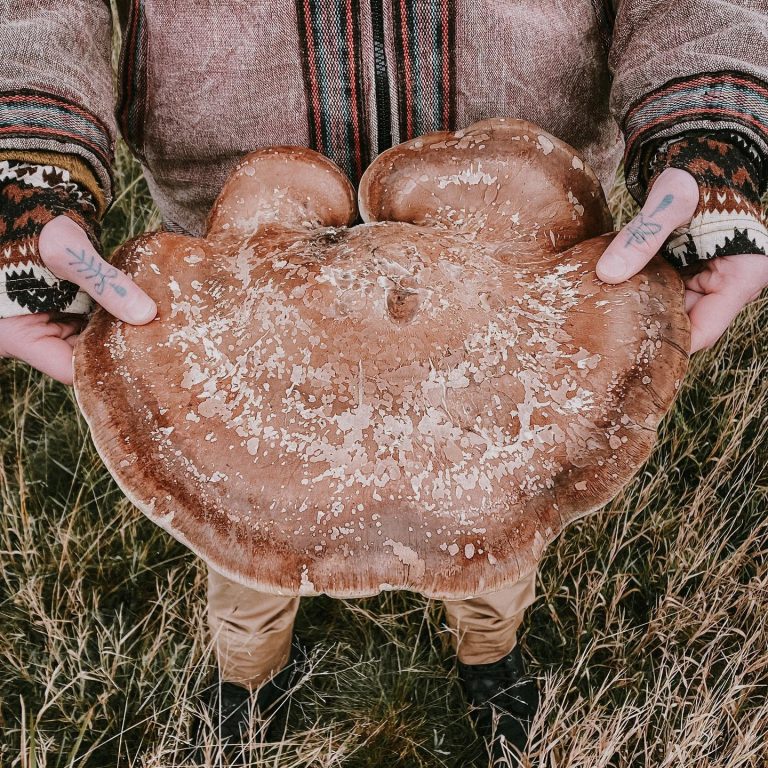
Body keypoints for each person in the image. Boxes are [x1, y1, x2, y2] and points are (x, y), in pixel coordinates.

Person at [1, 1, 766, 764]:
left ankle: (488, 654)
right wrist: (25, 171)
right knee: (244, 528)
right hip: (247, 250)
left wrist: (708, 127)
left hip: (503, 229)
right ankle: (249, 679)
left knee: (500, 507)